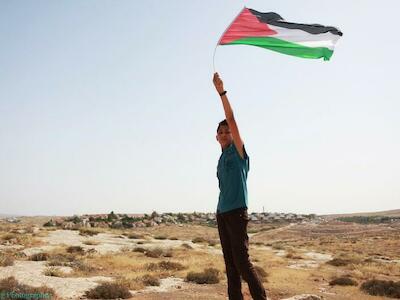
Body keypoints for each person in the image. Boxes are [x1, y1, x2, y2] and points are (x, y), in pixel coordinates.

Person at [213, 72, 267, 300]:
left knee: (242, 263)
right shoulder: (221, 158)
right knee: (230, 266)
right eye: (221, 132)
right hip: (222, 214)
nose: (225, 134)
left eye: (228, 132)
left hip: (236, 213)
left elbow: (232, 119)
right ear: (216, 137)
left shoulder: (239, 154)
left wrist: (221, 92)